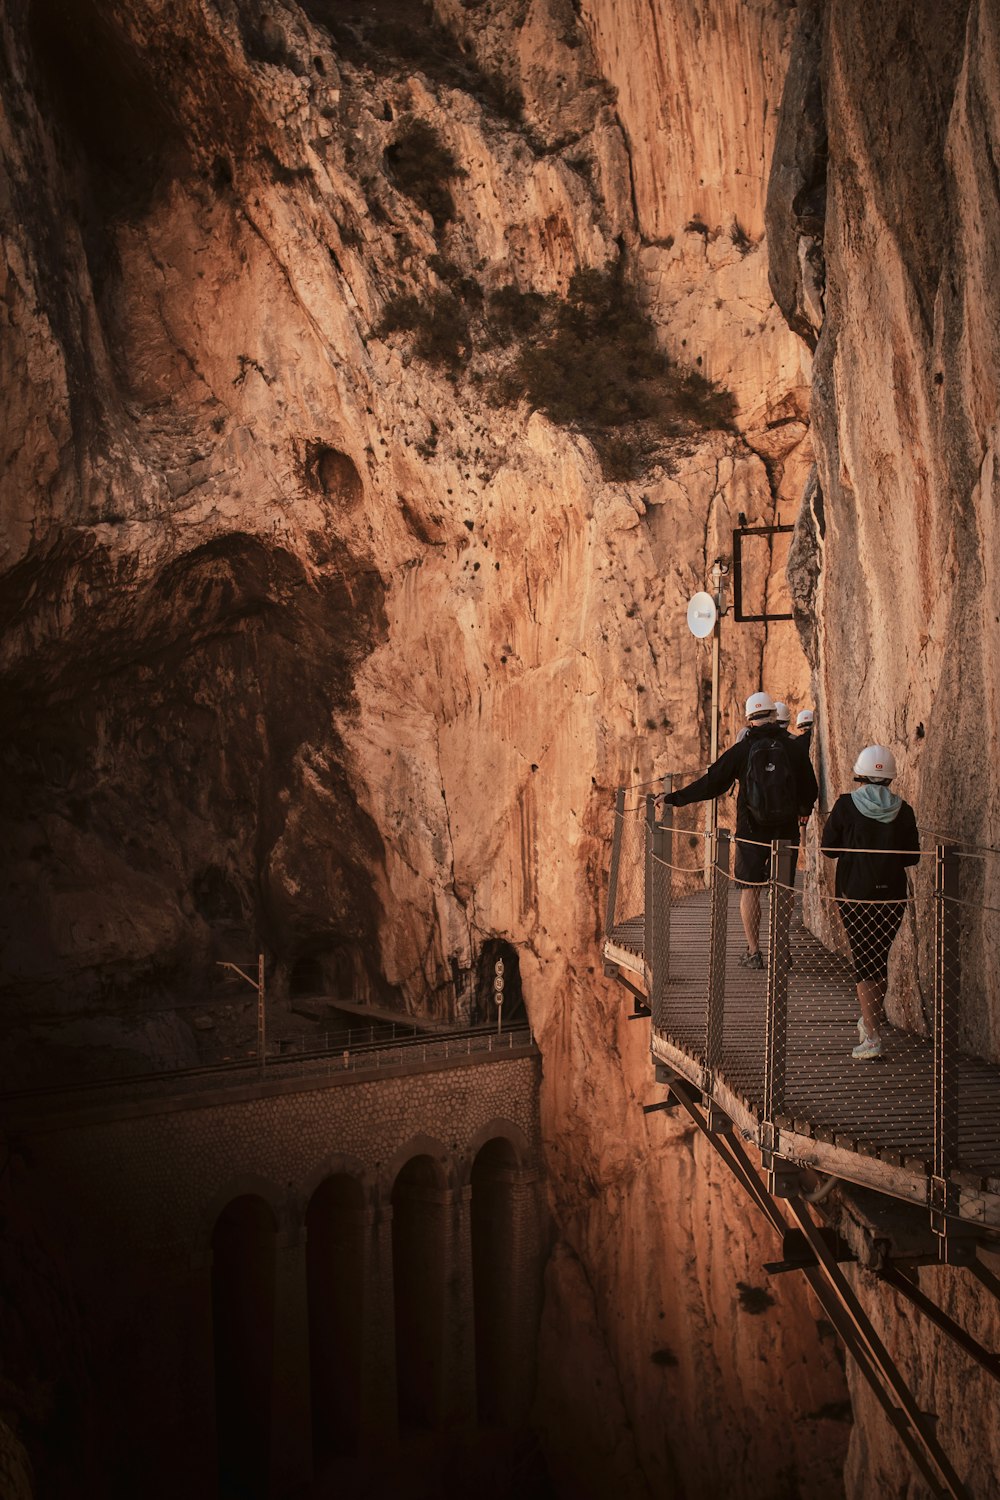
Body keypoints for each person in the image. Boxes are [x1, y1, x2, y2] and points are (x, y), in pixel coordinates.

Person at [661, 691, 818, 968]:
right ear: (773, 715)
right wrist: (803, 811)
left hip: (751, 830)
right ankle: (781, 951)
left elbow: (712, 783)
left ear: (749, 719)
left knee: (750, 889)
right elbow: (810, 788)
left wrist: (675, 798)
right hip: (785, 830)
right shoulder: (793, 748)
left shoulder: (742, 750)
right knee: (783, 890)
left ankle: (754, 952)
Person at [821, 745, 920, 1059]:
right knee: (879, 957)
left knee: (864, 962)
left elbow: (828, 849)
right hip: (892, 895)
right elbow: (912, 857)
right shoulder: (903, 810)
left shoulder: (846, 806)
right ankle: (869, 1022)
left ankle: (873, 1037)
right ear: (889, 777)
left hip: (855, 896)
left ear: (860, 773)